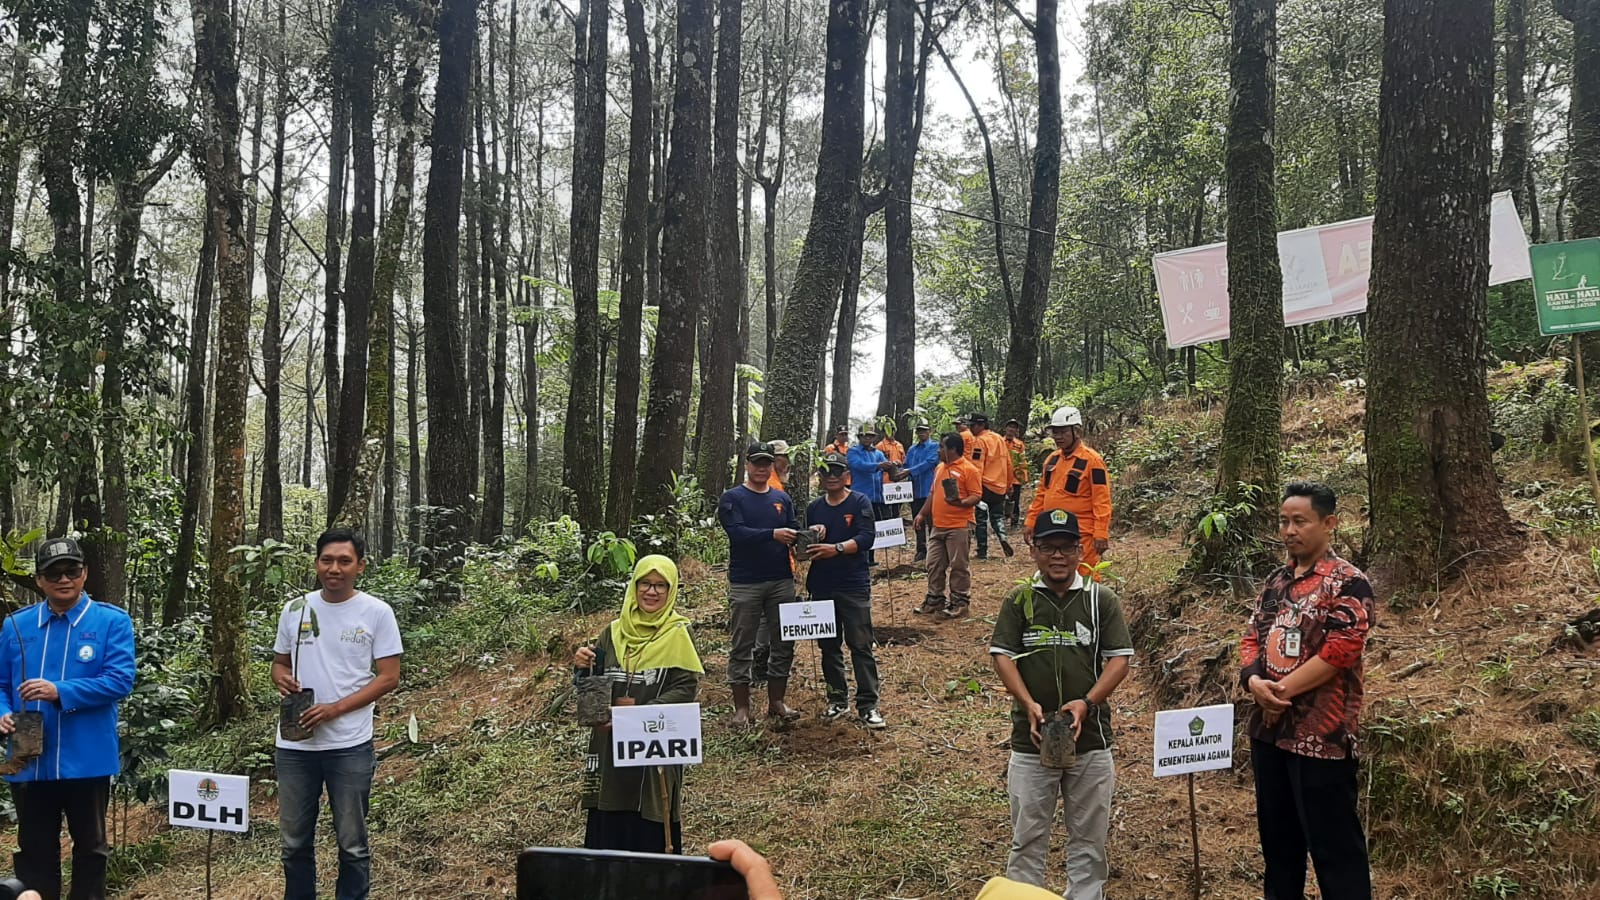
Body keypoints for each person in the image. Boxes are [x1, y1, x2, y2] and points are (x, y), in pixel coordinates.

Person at [1239, 482, 1374, 900]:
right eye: (1284, 521)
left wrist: (1280, 690)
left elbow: (1341, 651)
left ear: (1328, 523)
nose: (1289, 530)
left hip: (1321, 740)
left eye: (1300, 521)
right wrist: (1253, 682)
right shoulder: (1276, 581)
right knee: (1279, 848)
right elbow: (1250, 638)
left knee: (1335, 850)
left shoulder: (1349, 583)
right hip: (1269, 733)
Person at [989, 510, 1133, 899]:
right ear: (1034, 551)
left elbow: (1119, 658)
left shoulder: (1099, 599)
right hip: (1030, 739)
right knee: (1027, 837)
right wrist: (1028, 703)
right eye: (1048, 546)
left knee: (1089, 838)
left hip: (1090, 740)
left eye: (1067, 547)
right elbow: (1002, 654)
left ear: (1080, 550)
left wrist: (1088, 702)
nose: (1058, 556)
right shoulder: (1020, 599)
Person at [0, 537, 135, 900]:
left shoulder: (111, 621)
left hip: (87, 757)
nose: (64, 579)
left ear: (84, 573)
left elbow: (120, 680)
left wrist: (60, 691)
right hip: (29, 757)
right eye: (53, 572)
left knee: (90, 847)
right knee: (33, 848)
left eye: (72, 570)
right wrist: (2, 713)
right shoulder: (16, 625)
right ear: (39, 580)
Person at [273, 528, 403, 900]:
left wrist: (335, 709)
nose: (335, 568)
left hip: (349, 744)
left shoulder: (376, 612)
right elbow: (279, 664)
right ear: (316, 563)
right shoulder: (296, 608)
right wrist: (283, 679)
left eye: (344, 561)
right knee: (294, 844)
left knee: (352, 844)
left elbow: (389, 677)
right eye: (327, 560)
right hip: (296, 745)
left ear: (360, 566)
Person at [574, 556, 703, 853]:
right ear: (634, 587)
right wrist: (582, 666)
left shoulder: (678, 632)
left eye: (661, 585)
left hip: (655, 747)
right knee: (610, 827)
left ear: (671, 591)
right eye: (645, 583)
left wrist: (635, 721)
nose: (652, 592)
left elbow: (684, 688)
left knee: (652, 823)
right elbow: (591, 684)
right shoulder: (612, 632)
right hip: (610, 747)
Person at [717, 442, 802, 727]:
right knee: (743, 643)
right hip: (746, 582)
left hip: (780, 580)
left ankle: (777, 702)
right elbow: (737, 533)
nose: (762, 468)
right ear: (747, 464)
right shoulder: (732, 498)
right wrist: (772, 534)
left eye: (767, 463)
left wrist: (810, 534)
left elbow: (792, 534)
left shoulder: (782, 498)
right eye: (757, 463)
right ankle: (742, 708)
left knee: (784, 641)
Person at [803, 453, 884, 729]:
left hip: (853, 585)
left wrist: (836, 549)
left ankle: (868, 705)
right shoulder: (814, 507)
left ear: (846, 475)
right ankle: (837, 699)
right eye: (826, 472)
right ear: (820, 477)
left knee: (860, 645)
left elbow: (866, 538)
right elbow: (804, 546)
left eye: (837, 471)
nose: (832, 476)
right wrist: (811, 535)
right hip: (822, 584)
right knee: (828, 646)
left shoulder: (859, 501)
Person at [1023, 406, 1112, 573]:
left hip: (1082, 533)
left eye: (1063, 432)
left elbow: (1102, 500)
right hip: (1052, 530)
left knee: (1085, 576)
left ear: (1076, 431)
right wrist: (1031, 521)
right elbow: (1042, 493)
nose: (1058, 437)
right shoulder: (1052, 459)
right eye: (1055, 432)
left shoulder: (1093, 461)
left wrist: (1101, 533)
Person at [911, 433, 982, 619]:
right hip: (938, 525)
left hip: (959, 525)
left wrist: (962, 502)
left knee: (958, 565)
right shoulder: (940, 468)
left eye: (941, 447)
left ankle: (960, 602)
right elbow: (933, 494)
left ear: (952, 449)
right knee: (933, 563)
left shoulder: (969, 470)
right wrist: (921, 513)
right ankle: (935, 599)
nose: (938, 451)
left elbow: (976, 495)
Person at [967, 413, 1014, 559]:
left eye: (972, 425)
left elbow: (976, 466)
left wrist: (973, 487)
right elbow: (1008, 463)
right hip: (1000, 486)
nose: (970, 428)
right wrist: (1009, 484)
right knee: (997, 516)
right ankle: (1003, 537)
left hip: (985, 485)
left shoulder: (979, 441)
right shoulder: (999, 439)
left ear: (981, 425)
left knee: (981, 518)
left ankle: (982, 551)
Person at [902, 422, 940, 562]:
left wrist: (909, 471)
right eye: (919, 431)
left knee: (932, 522)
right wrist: (899, 471)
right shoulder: (912, 449)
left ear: (929, 431)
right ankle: (921, 550)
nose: (921, 433)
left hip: (929, 491)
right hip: (914, 491)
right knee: (917, 521)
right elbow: (905, 465)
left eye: (924, 430)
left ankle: (935, 550)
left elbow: (930, 463)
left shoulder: (934, 446)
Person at [1004, 419, 1029, 530]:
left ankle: (1014, 521)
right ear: (1006, 428)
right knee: (1001, 500)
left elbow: (1022, 461)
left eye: (1014, 428)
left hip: (1015, 478)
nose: (1011, 429)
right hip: (1001, 477)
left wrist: (1023, 477)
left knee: (1015, 500)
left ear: (1016, 430)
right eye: (1009, 427)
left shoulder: (1019, 445)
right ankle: (1001, 521)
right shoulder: (1000, 441)